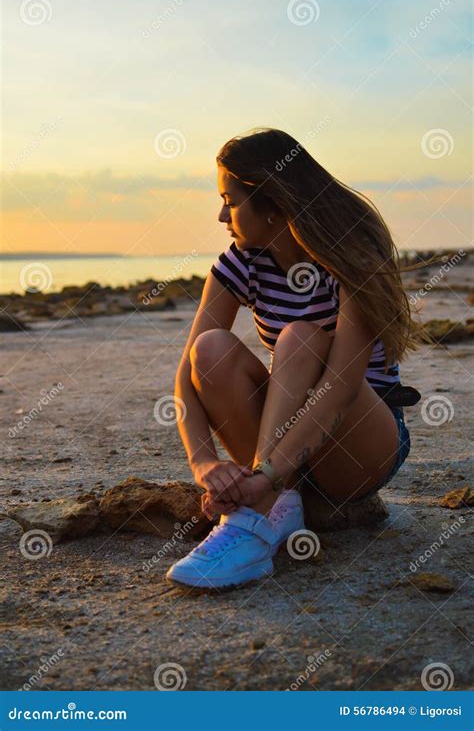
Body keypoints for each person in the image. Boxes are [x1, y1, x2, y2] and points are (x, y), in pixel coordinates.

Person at [166, 127, 432, 590]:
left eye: (230, 200)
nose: (220, 214)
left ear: (272, 203)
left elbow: (341, 389)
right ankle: (281, 505)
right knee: (208, 349)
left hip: (360, 439)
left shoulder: (352, 250)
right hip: (288, 439)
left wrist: (264, 475)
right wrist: (203, 464)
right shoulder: (242, 261)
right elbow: (186, 379)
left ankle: (257, 520)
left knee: (301, 340)